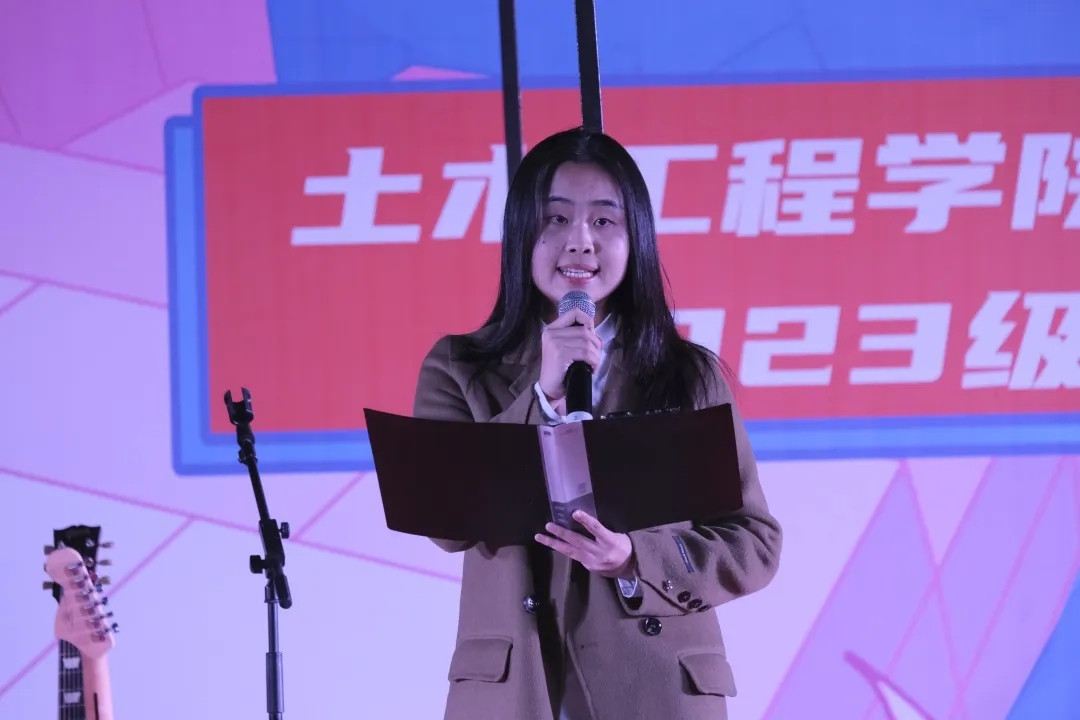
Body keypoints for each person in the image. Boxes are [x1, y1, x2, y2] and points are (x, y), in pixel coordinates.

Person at [412, 127, 782, 720]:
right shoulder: (459, 367)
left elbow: (753, 541)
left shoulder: (688, 375)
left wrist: (636, 558)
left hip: (657, 689)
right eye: (556, 219)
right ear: (521, 234)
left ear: (636, 239)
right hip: (515, 692)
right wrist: (543, 394)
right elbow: (446, 522)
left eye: (604, 221)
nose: (580, 242)